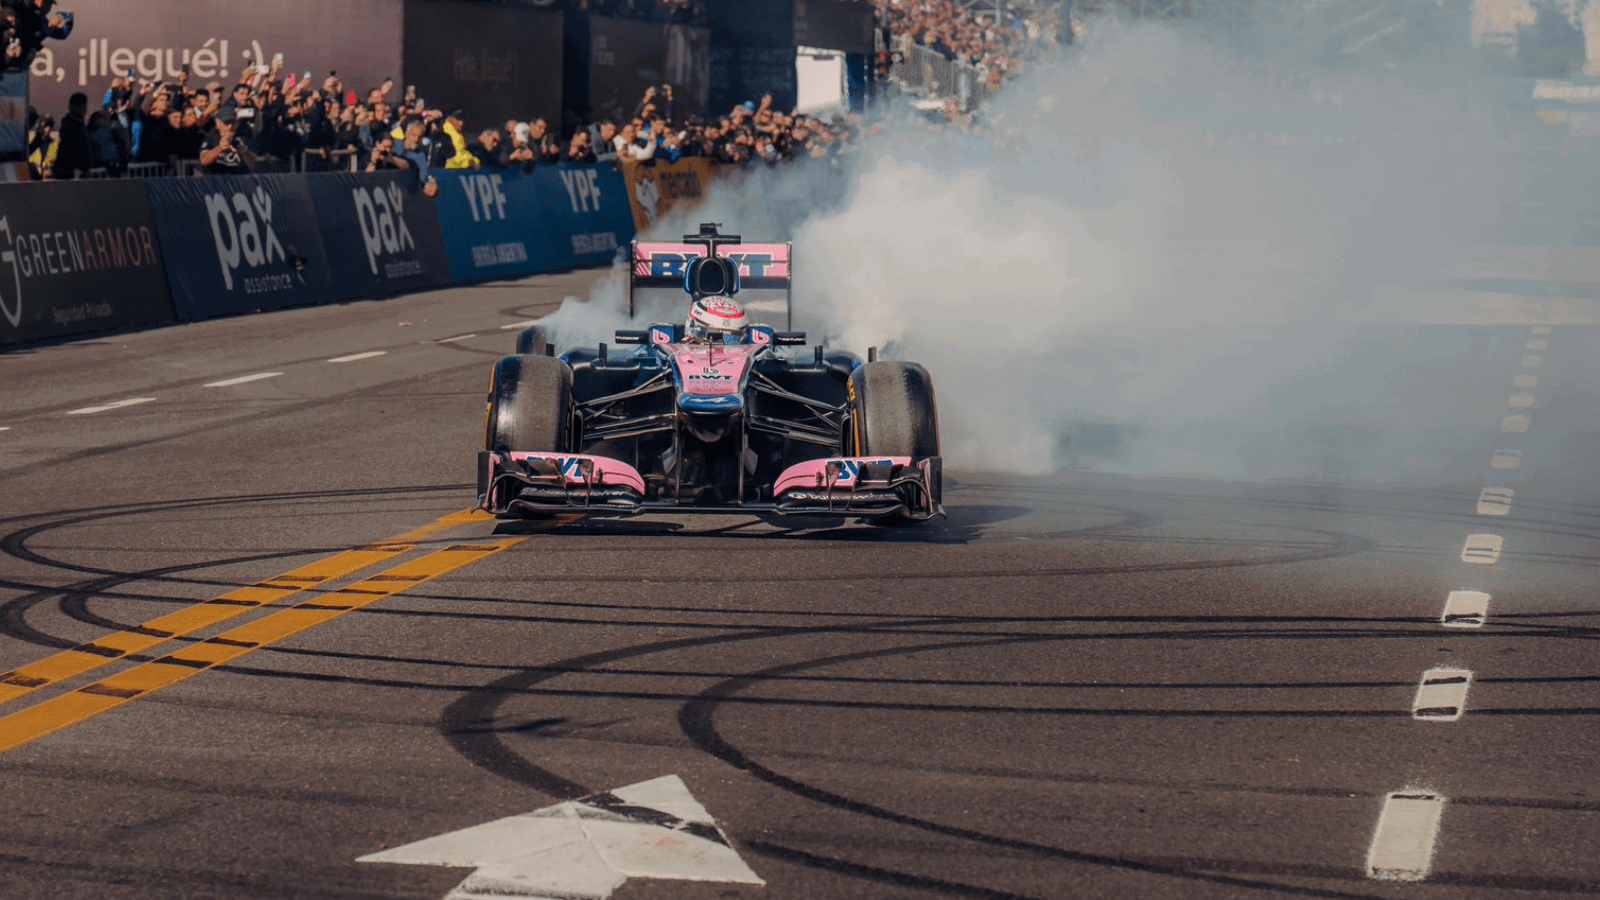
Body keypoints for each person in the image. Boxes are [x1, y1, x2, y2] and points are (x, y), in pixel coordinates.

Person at [198, 106, 255, 175]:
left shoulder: (243, 134)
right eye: (226, 123)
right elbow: (203, 160)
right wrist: (219, 149)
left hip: (239, 179)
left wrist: (243, 149)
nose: (230, 127)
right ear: (218, 124)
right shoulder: (212, 136)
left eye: (232, 122)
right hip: (217, 179)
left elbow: (254, 163)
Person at [50, 90, 90, 179]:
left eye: (83, 105)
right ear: (71, 106)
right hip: (70, 172)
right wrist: (76, 169)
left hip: (78, 171)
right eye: (78, 105)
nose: (82, 108)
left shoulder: (81, 125)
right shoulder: (69, 125)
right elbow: (69, 149)